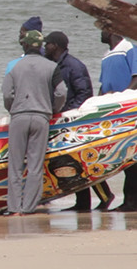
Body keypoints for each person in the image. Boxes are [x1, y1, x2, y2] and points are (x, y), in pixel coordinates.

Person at [44, 31, 113, 211]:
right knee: (70, 161)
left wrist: (67, 112)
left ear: (56, 46)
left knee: (83, 161)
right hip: (61, 120)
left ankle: (106, 197)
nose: (45, 47)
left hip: (75, 121)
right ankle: (82, 203)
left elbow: (84, 93)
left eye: (48, 44)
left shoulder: (74, 66)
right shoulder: (53, 64)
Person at [2, 30, 67, 215]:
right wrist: (53, 109)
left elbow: (7, 94)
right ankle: (28, 208)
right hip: (41, 117)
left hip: (19, 117)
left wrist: (12, 108)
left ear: (25, 44)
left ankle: (14, 208)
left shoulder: (15, 67)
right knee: (35, 166)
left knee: (15, 166)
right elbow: (61, 92)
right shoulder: (51, 66)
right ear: (40, 46)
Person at [99, 30, 137, 211]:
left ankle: (131, 202)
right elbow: (103, 85)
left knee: (132, 158)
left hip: (126, 111)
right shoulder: (106, 56)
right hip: (112, 114)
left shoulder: (128, 48)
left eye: (102, 28)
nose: (100, 32)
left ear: (112, 30)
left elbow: (136, 77)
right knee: (121, 157)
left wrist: (122, 99)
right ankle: (128, 201)